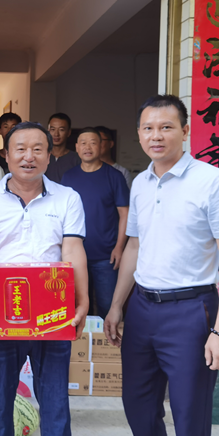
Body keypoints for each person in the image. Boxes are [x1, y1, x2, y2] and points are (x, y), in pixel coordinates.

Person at [104, 95, 219, 436]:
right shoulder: (141, 184)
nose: (157, 136)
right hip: (142, 310)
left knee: (189, 414)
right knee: (138, 405)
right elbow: (134, 246)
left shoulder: (213, 182)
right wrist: (118, 306)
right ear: (138, 134)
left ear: (185, 131)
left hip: (191, 312)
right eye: (148, 128)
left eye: (166, 127)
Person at [0, 122, 89, 436]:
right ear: (6, 154)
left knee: (56, 401)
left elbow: (72, 251)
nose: (28, 157)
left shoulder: (68, 197)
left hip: (51, 315)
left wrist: (82, 300)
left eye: (37, 149)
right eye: (20, 149)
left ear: (49, 156)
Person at [61, 127, 129, 319]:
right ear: (76, 147)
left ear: (101, 146)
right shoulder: (68, 177)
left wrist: (119, 247)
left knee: (108, 306)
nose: (87, 147)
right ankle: (79, 348)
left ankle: (108, 348)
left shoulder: (114, 177)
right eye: (83, 143)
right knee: (76, 308)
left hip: (106, 257)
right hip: (74, 255)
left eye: (93, 142)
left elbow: (125, 214)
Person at [44, 113, 80, 184]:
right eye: (53, 129)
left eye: (61, 130)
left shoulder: (77, 159)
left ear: (69, 132)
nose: (56, 134)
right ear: (48, 131)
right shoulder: (41, 156)